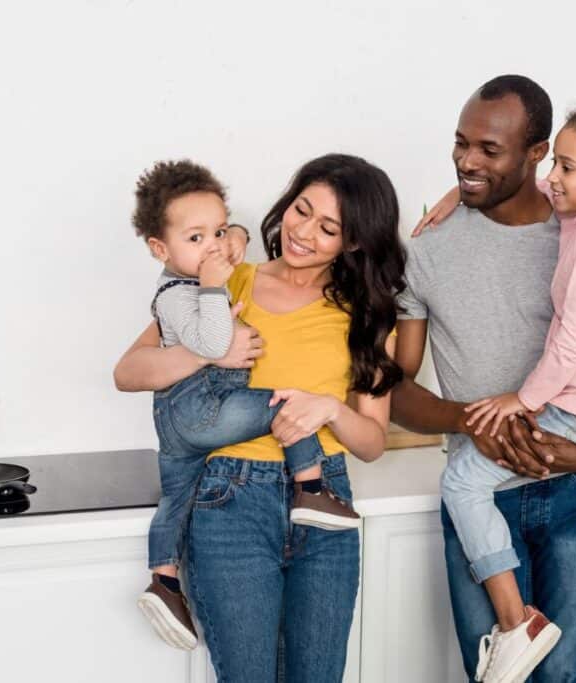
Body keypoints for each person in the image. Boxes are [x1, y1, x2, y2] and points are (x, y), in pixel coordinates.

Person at [391, 75, 576, 683]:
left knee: (566, 675)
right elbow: (396, 391)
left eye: (489, 150)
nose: (467, 160)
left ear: (538, 153)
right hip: (482, 491)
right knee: (495, 676)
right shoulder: (428, 249)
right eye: (460, 144)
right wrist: (475, 420)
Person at [115, 153, 405, 681]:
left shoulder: (365, 314)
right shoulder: (228, 282)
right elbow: (129, 371)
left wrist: (332, 409)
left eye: (328, 228)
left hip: (326, 504)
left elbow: (371, 443)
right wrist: (207, 354)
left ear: (354, 241)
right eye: (301, 209)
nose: (303, 232)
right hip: (230, 502)